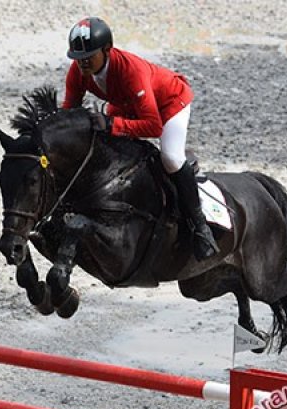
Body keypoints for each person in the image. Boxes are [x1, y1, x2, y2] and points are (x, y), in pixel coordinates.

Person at [62, 16, 219, 261]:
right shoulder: (79, 71)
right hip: (128, 104)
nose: (82, 63)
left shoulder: (130, 71)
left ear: (107, 50)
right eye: (78, 58)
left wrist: (112, 124)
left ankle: (200, 227)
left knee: (170, 157)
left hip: (169, 104)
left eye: (88, 57)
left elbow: (153, 126)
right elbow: (69, 111)